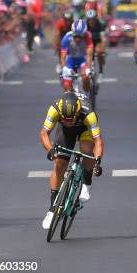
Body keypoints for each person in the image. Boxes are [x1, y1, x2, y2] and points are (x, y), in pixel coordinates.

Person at [39, 92, 104, 229]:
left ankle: (87, 182)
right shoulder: (55, 109)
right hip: (64, 133)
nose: (68, 123)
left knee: (87, 151)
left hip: (84, 128)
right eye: (65, 119)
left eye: (71, 120)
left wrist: (97, 161)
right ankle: (52, 209)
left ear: (78, 112)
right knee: (60, 163)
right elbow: (44, 133)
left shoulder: (89, 115)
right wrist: (50, 149)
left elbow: (98, 142)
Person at [61, 19, 94, 93]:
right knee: (67, 85)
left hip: (82, 59)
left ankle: (86, 94)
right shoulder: (67, 38)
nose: (77, 39)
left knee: (85, 77)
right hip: (70, 59)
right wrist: (65, 68)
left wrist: (88, 67)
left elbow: (89, 54)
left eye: (80, 36)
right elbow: (63, 57)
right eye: (75, 36)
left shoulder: (88, 36)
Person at [85, 9, 106, 81]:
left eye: (93, 19)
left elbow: (103, 38)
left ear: (95, 19)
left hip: (98, 40)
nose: (91, 21)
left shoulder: (100, 24)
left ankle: (101, 71)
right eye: (89, 20)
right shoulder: (85, 25)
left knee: (99, 52)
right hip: (88, 41)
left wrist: (102, 49)